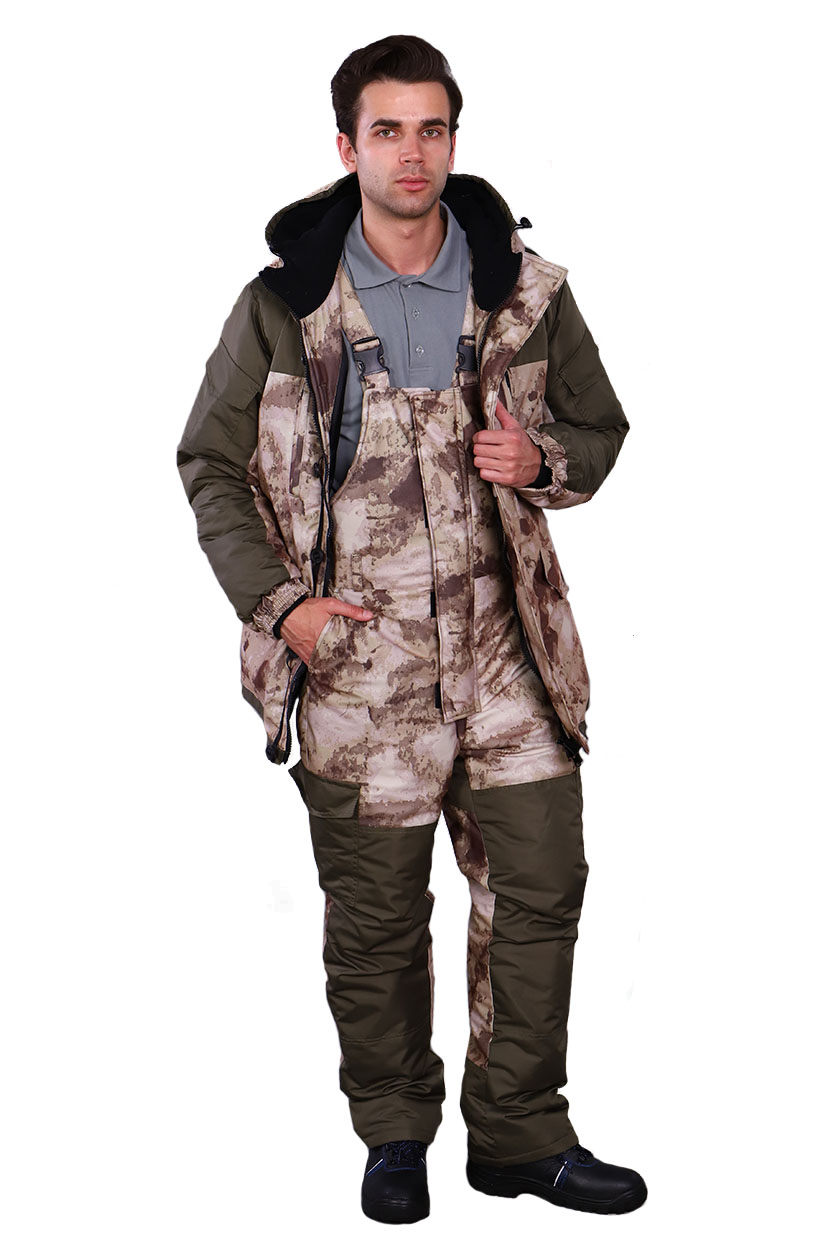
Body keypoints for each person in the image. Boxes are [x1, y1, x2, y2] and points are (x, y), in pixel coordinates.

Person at [177, 33, 646, 1224]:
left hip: (509, 661)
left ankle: (520, 1136)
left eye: (431, 128)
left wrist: (543, 461)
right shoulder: (284, 306)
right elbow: (209, 464)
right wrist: (285, 609)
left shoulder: (525, 292)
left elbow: (600, 429)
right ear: (347, 147)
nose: (412, 152)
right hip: (357, 668)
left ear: (453, 139)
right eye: (386, 130)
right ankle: (394, 1132)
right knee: (379, 922)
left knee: (540, 888)